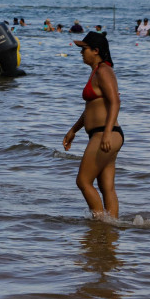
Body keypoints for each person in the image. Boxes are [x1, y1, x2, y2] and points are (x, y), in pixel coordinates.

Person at [63, 32, 123, 220]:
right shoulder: (96, 72)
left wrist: (105, 133)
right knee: (106, 187)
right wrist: (74, 130)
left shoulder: (104, 71)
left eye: (84, 49)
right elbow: (90, 108)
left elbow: (115, 102)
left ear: (96, 51)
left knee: (83, 181)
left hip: (106, 134)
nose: (81, 52)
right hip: (106, 134)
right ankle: (112, 230)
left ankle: (100, 225)